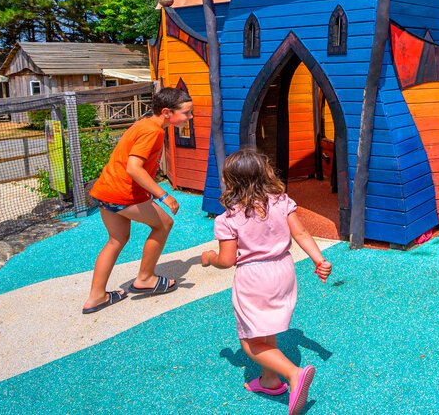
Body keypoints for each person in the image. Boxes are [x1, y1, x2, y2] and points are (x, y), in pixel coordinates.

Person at [201, 149, 333, 411]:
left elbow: (227, 260)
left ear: (230, 181)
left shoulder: (228, 218)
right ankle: (270, 380)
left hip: (254, 278)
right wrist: (320, 260)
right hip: (284, 270)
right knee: (264, 329)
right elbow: (301, 233)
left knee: (250, 341)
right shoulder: (282, 201)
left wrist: (209, 258)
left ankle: (293, 373)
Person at [82, 86, 192, 314]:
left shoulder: (144, 124)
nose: (190, 117)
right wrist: (164, 195)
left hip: (105, 189)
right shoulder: (153, 131)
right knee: (164, 224)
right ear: (166, 112)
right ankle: (145, 278)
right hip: (122, 193)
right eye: (186, 113)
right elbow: (134, 168)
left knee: (116, 239)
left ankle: (96, 297)